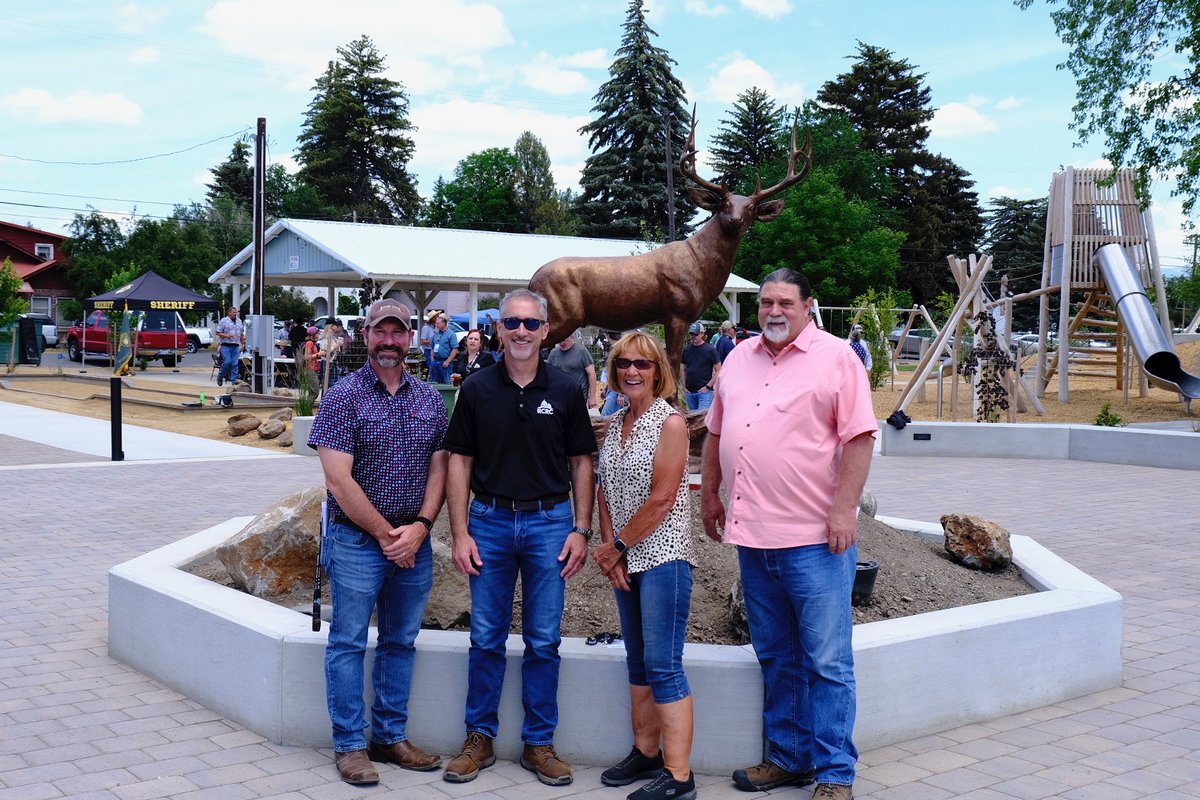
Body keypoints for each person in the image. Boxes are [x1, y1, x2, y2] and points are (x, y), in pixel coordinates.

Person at [700, 268, 876, 800]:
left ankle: (834, 773)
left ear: (808, 306)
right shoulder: (737, 356)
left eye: (785, 303)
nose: (773, 312)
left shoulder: (838, 359)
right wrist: (710, 495)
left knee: (826, 660)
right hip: (753, 536)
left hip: (815, 541)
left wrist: (844, 510)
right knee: (776, 653)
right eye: (765, 303)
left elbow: (861, 438)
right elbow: (714, 432)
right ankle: (788, 756)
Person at [441, 288, 597, 787]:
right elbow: (459, 460)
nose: (522, 332)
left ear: (546, 330)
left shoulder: (567, 391)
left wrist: (581, 528)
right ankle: (478, 738)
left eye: (531, 324)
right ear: (499, 329)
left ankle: (539, 743)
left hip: (550, 525)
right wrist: (460, 530)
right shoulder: (478, 389)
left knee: (544, 640)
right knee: (485, 636)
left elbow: (581, 463)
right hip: (488, 522)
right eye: (513, 323)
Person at [306, 298, 450, 786]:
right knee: (348, 642)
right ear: (365, 335)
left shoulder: (430, 399)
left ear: (412, 339)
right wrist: (387, 535)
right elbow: (338, 481)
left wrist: (422, 527)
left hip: (415, 539)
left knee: (400, 642)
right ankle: (349, 746)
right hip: (357, 542)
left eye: (399, 333)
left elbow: (441, 466)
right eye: (380, 332)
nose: (389, 342)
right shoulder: (342, 396)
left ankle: (389, 738)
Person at [593, 332, 697, 800]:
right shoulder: (615, 424)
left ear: (659, 371)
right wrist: (612, 547)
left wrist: (616, 546)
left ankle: (679, 777)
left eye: (643, 364)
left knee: (663, 664)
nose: (632, 371)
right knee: (637, 661)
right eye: (624, 364)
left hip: (664, 557)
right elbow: (603, 489)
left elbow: (662, 499)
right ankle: (646, 751)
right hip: (626, 556)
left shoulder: (670, 423)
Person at [546, 328, 598, 409]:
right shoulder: (553, 353)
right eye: (559, 340)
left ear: (572, 337)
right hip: (559, 396)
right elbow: (548, 374)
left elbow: (591, 374)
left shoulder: (581, 351)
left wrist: (592, 397)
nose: (562, 343)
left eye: (564, 340)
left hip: (578, 396)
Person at [680, 322, 720, 412]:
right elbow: (683, 369)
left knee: (702, 419)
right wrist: (683, 386)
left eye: (696, 334)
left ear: (702, 334)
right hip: (690, 392)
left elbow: (719, 370)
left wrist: (708, 386)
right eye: (691, 334)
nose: (693, 336)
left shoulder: (710, 350)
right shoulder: (686, 350)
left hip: (704, 392)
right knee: (693, 418)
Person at [215, 306, 245, 387]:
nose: (235, 314)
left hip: (235, 345)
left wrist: (243, 344)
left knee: (235, 364)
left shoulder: (239, 321)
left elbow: (241, 334)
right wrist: (226, 335)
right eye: (234, 312)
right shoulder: (224, 321)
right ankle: (220, 376)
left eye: (236, 312)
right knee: (227, 362)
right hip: (225, 345)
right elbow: (217, 332)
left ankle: (234, 381)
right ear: (229, 312)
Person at [428, 314, 459, 384]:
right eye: (436, 323)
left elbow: (455, 349)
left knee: (447, 382)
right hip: (435, 362)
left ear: (444, 323)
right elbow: (432, 348)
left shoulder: (451, 334)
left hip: (445, 362)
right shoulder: (436, 334)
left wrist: (448, 361)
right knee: (435, 383)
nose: (436, 325)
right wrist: (432, 360)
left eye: (438, 323)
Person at [420, 311, 438, 376]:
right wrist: (432, 341)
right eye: (436, 316)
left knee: (436, 368)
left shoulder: (436, 328)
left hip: (436, 351)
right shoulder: (426, 328)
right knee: (432, 368)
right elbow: (423, 341)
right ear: (432, 318)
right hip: (428, 351)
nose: (437, 318)